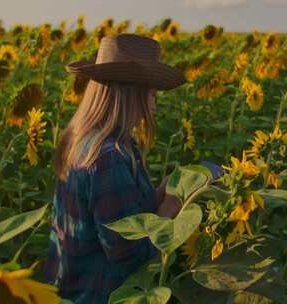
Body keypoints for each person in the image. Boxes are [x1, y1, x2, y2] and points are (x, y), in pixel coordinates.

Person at [43, 34, 187, 303]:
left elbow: (120, 220)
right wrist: (173, 206)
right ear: (130, 95)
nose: (154, 106)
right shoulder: (108, 158)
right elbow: (131, 259)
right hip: (96, 296)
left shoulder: (86, 141)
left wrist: (160, 192)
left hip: (67, 290)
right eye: (152, 95)